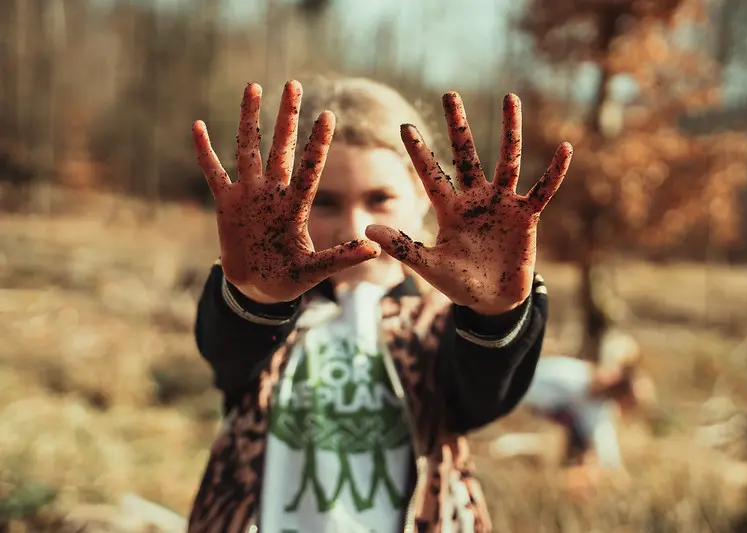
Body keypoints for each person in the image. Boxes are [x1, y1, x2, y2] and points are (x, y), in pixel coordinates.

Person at [187, 75, 573, 533]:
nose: (356, 226)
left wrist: (491, 315)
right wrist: (257, 297)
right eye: (325, 202)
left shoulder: (436, 322)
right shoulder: (272, 316)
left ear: (423, 197)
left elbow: (482, 396)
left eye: (380, 198)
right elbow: (228, 353)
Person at [489, 332, 657, 486]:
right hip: (504, 417)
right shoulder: (570, 375)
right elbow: (521, 392)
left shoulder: (598, 411)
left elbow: (607, 454)